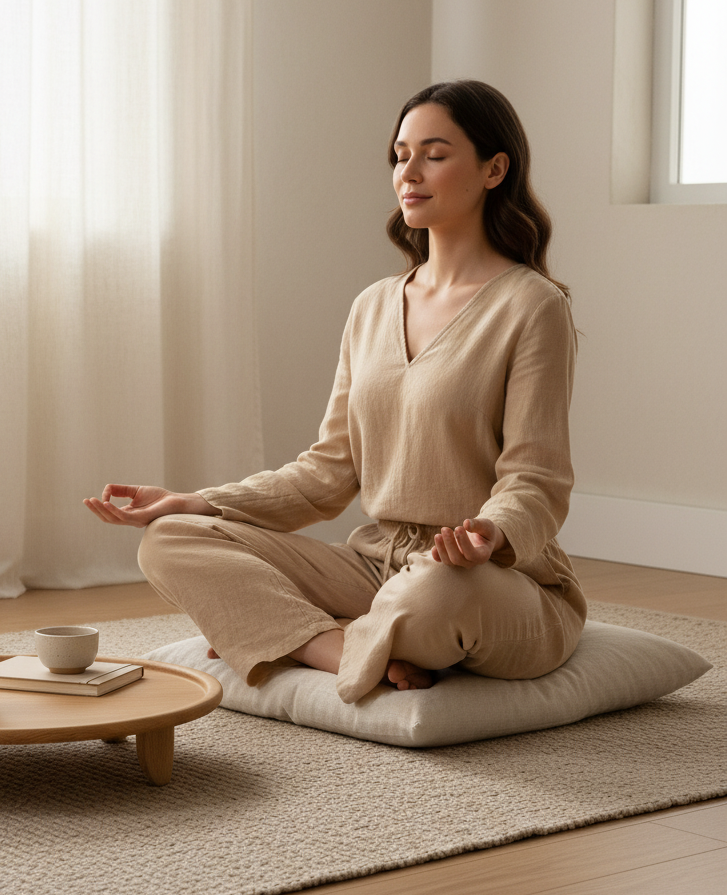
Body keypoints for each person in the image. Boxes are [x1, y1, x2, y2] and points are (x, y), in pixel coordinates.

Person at [84, 79, 586, 704]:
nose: (410, 172)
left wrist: (490, 532)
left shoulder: (533, 306)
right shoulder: (373, 306)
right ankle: (335, 646)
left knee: (434, 596)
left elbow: (537, 480)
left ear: (493, 169)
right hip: (376, 569)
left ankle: (276, 630)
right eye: (400, 155)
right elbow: (326, 474)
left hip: (482, 579)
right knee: (169, 542)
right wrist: (194, 502)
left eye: (434, 153)